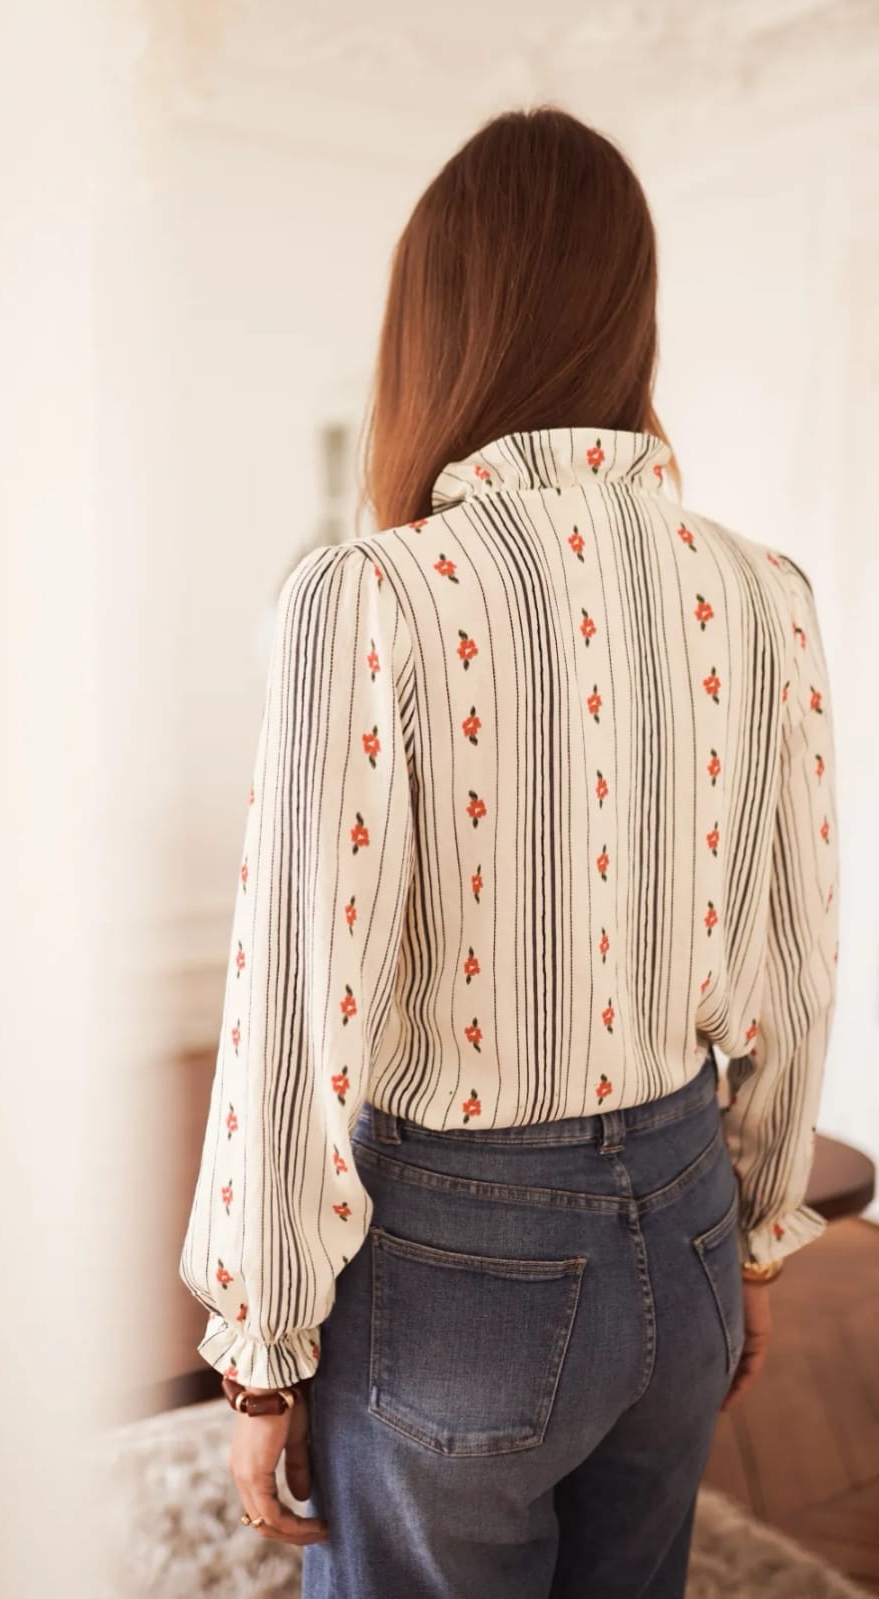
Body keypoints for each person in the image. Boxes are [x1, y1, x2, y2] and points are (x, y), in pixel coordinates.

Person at [177, 105, 840, 1598]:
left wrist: (260, 1357)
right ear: (630, 318)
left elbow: (295, 1009)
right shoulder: (760, 592)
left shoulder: (370, 597)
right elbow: (792, 957)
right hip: (677, 1221)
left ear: (435, 327)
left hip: (460, 1269)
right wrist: (748, 1238)